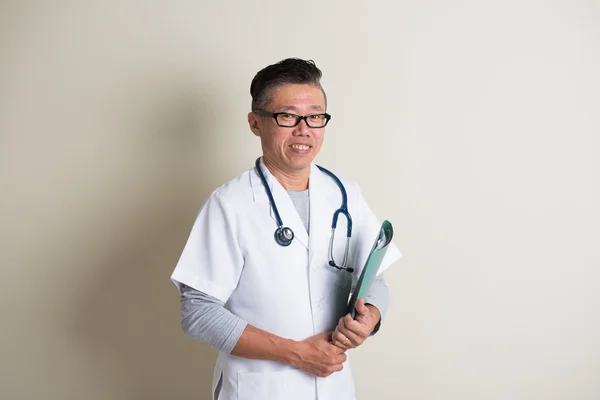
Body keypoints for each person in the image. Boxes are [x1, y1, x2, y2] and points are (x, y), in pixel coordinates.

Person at [170, 58, 401, 400]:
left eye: (316, 116)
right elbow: (198, 311)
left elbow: (375, 277)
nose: (304, 129)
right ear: (255, 123)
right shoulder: (230, 204)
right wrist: (295, 353)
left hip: (333, 386)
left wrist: (369, 320)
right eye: (288, 116)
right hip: (260, 388)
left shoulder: (344, 193)